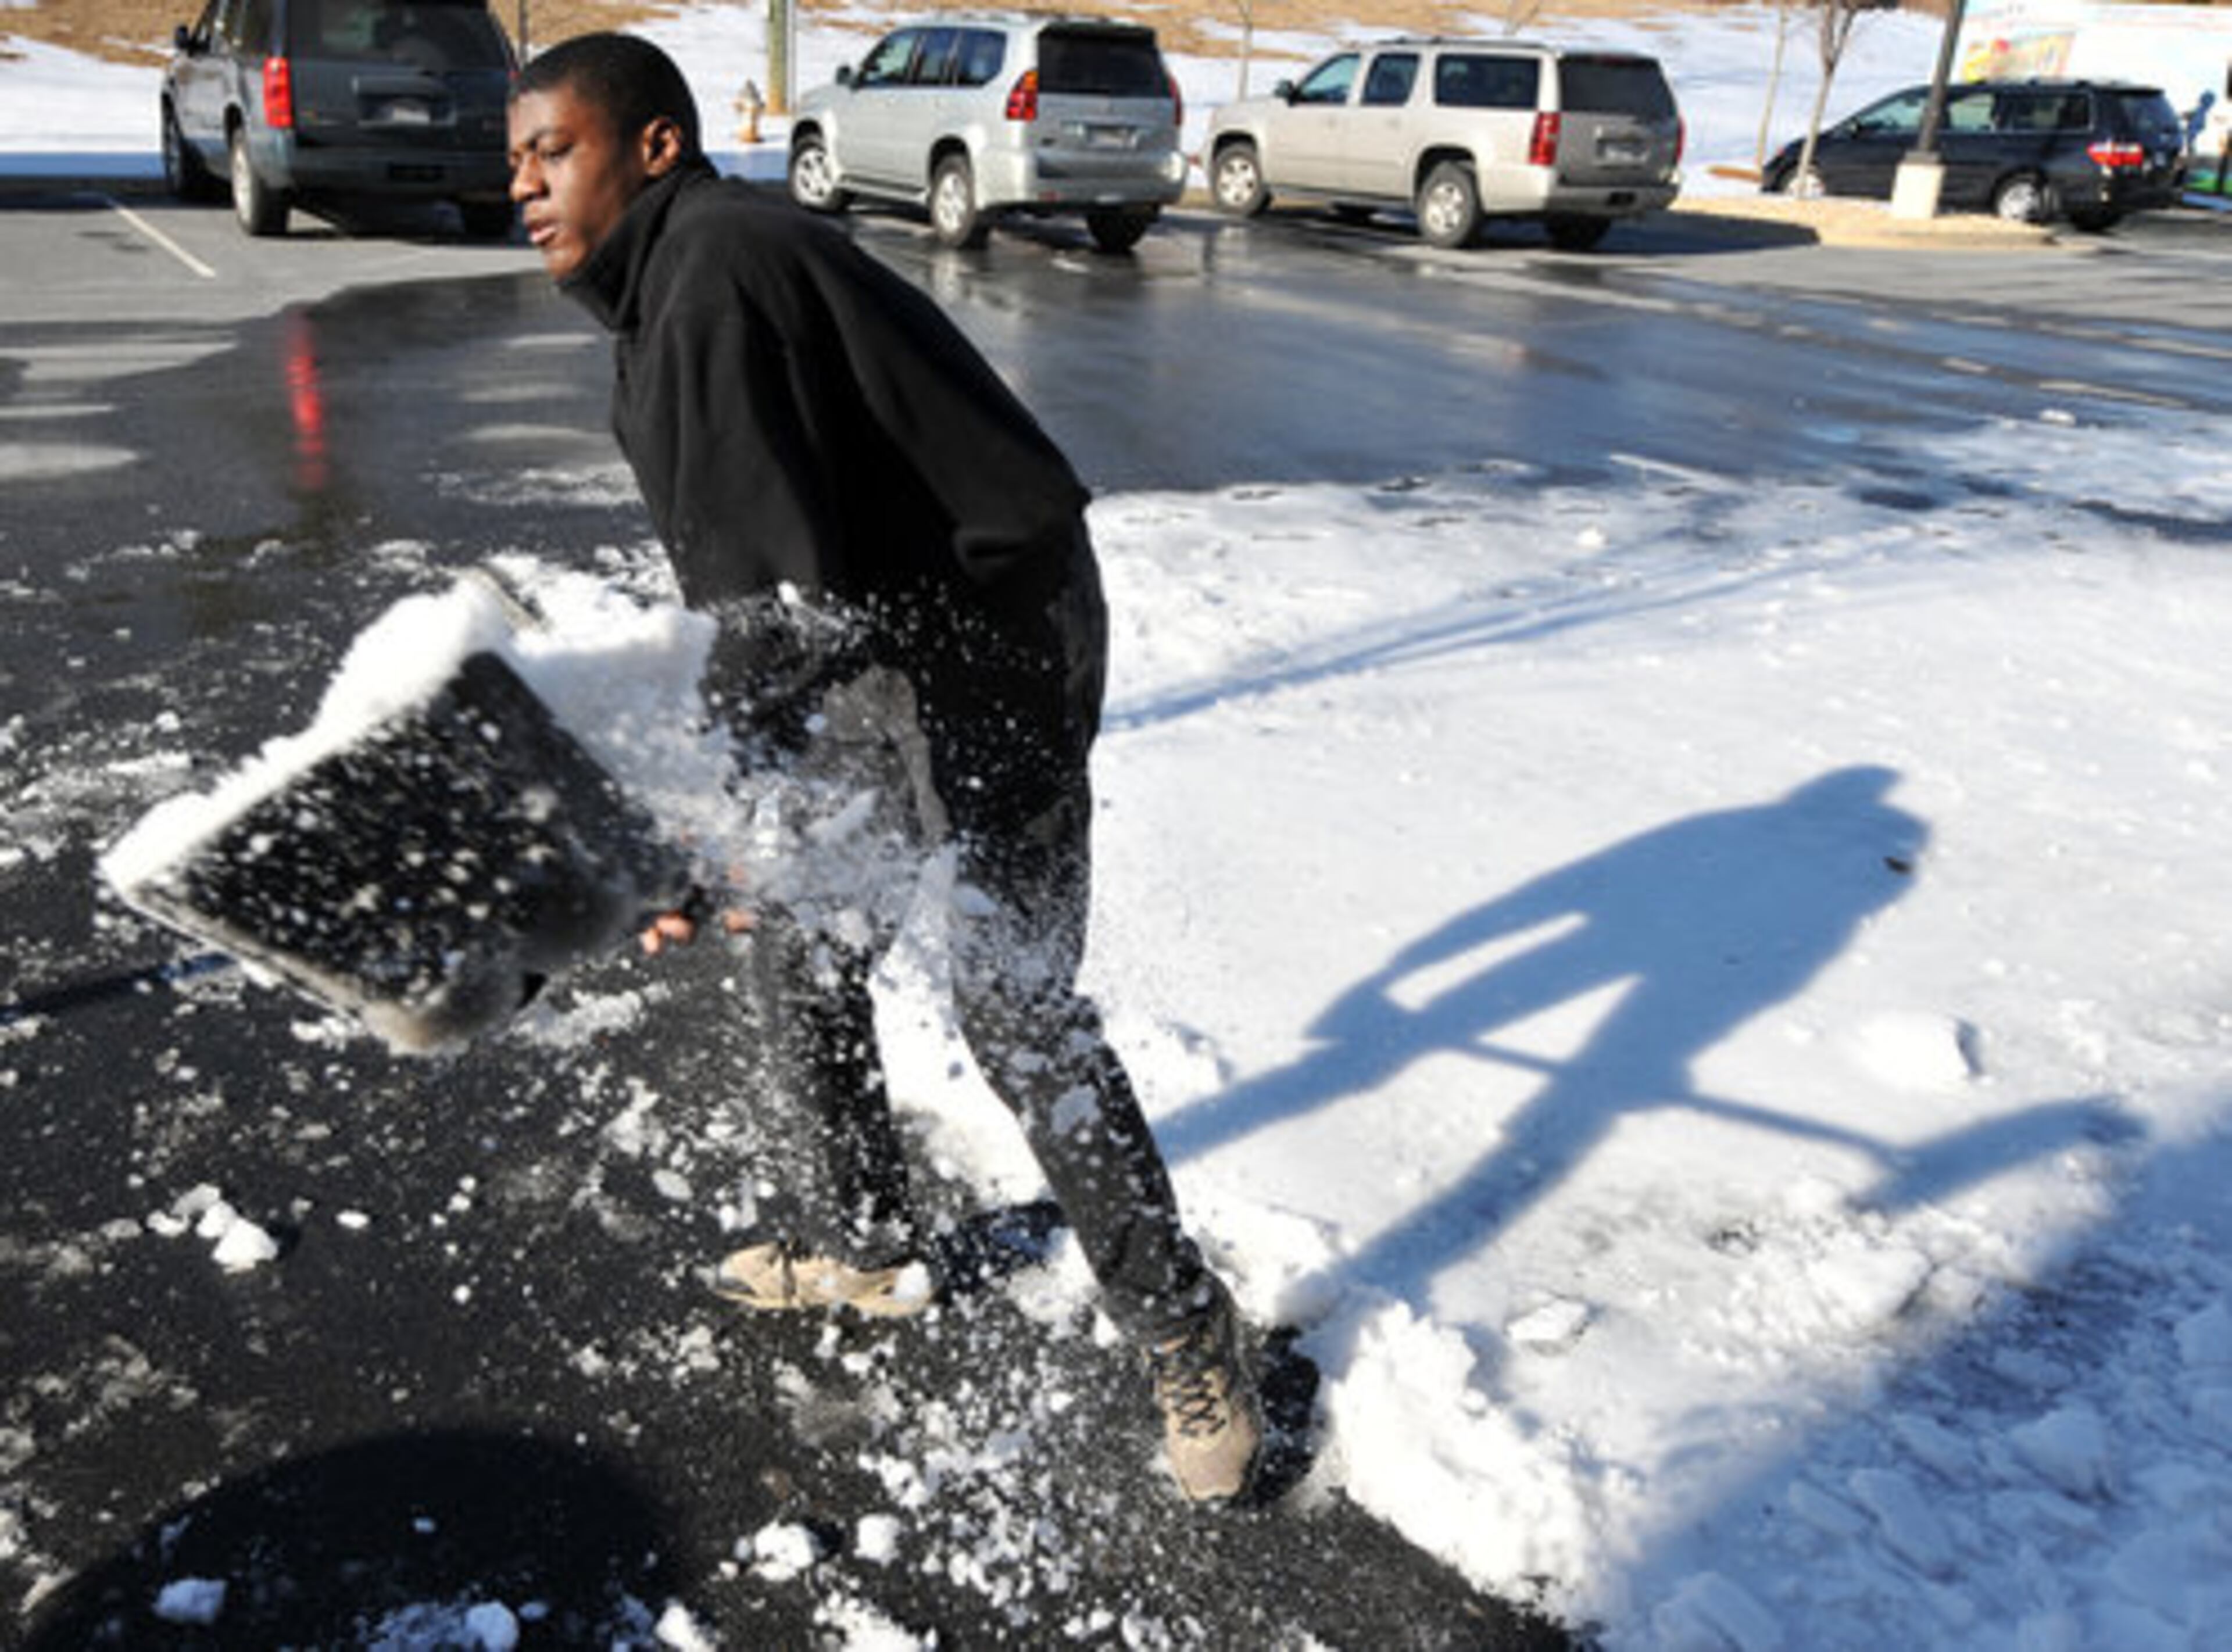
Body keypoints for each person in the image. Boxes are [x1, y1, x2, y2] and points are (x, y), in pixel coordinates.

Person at [505, 32, 1260, 1503]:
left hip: (993, 639)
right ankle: (872, 1248)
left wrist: (676, 816)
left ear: (654, 147)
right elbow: (772, 594)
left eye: (554, 150)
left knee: (1008, 990)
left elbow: (769, 611)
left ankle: (1186, 1327)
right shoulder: (666, 293)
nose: (524, 183)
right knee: (806, 935)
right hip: (870, 627)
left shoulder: (718, 268)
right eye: (513, 160)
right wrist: (716, 814)